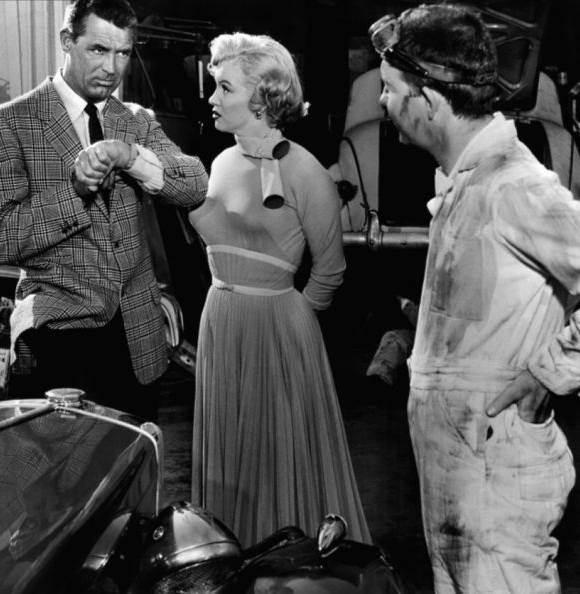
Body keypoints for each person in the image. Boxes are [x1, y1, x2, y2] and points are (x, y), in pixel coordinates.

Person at [369, 4, 580, 593]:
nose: (383, 103)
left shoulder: (512, 186)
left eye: (390, 89)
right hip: (463, 475)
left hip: (494, 479)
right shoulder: (467, 180)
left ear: (427, 100)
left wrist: (548, 373)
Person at [0, 0, 207, 421]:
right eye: (98, 50)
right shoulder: (11, 121)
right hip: (58, 343)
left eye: (123, 53)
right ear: (67, 41)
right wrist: (75, 192)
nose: (111, 68)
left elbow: (194, 184)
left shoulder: (136, 121)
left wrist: (129, 157)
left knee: (137, 461)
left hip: (139, 345)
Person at [189, 32, 371, 547]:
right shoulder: (220, 164)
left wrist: (292, 328)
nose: (212, 97)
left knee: (279, 458)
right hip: (220, 319)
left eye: (224, 87)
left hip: (278, 329)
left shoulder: (306, 171)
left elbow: (330, 271)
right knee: (231, 461)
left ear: (262, 97)